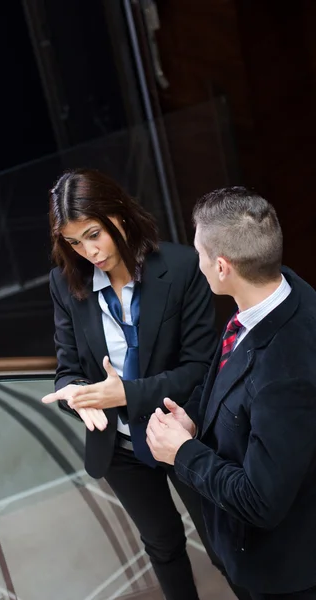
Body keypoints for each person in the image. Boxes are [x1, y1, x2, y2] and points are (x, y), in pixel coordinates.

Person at [41, 168, 221, 600]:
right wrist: (75, 396)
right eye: (74, 242)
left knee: (224, 543)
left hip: (184, 432)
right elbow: (68, 370)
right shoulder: (66, 284)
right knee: (162, 546)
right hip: (120, 445)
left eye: (93, 234)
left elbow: (200, 369)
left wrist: (127, 393)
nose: (88, 252)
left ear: (118, 215)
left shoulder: (179, 268)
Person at [146, 186, 316, 600]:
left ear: (222, 266)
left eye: (200, 253)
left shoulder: (283, 375)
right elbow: (232, 380)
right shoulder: (285, 291)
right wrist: (196, 416)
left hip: (284, 573)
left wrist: (182, 452)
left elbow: (261, 501)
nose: (196, 262)